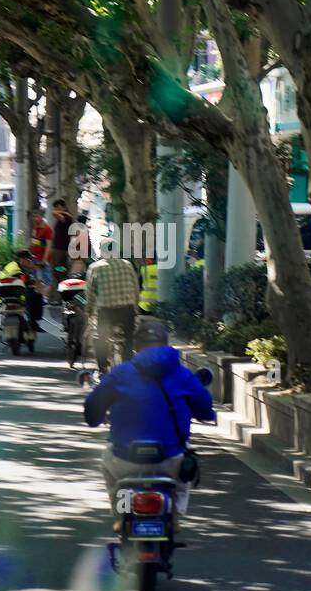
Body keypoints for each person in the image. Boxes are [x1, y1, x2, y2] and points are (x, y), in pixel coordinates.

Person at [84, 317, 215, 526]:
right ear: (165, 344)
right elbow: (205, 408)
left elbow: (92, 409)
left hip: (125, 459)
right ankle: (174, 519)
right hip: (170, 459)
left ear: (135, 346)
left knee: (112, 473)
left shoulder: (120, 374)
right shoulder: (184, 375)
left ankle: (122, 516)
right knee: (182, 481)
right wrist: (205, 413)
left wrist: (95, 418)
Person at [85, 245, 141, 372]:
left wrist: (89, 311)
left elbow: (90, 293)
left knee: (100, 339)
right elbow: (135, 288)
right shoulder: (127, 264)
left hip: (106, 311)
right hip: (127, 310)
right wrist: (135, 307)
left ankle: (102, 369)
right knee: (129, 339)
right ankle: (129, 368)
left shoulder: (95, 267)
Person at [49, 198, 75, 282]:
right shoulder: (65, 216)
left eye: (57, 207)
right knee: (59, 269)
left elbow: (53, 213)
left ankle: (63, 283)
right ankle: (62, 282)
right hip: (59, 248)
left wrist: (64, 212)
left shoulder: (67, 217)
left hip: (61, 248)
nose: (56, 209)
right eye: (55, 207)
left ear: (63, 207)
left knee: (59, 269)